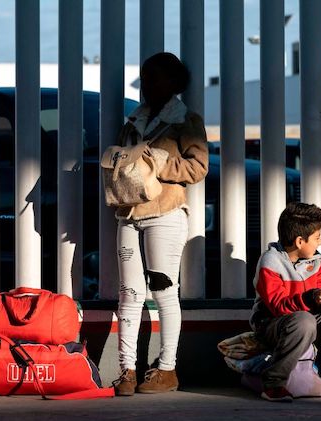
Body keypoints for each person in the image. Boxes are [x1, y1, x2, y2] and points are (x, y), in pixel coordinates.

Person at [110, 52, 209, 396]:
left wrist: (161, 163)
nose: (147, 84)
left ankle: (167, 368)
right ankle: (126, 370)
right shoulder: (133, 120)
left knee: (164, 293)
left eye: (154, 78)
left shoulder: (186, 121)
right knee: (129, 295)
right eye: (145, 77)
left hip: (165, 215)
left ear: (174, 83)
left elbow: (198, 168)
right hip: (128, 213)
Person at [250, 202, 321, 402]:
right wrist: (311, 298)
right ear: (299, 241)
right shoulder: (270, 262)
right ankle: (274, 383)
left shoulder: (314, 261)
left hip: (308, 321)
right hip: (273, 325)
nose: (320, 242)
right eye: (317, 237)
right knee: (304, 320)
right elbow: (278, 306)